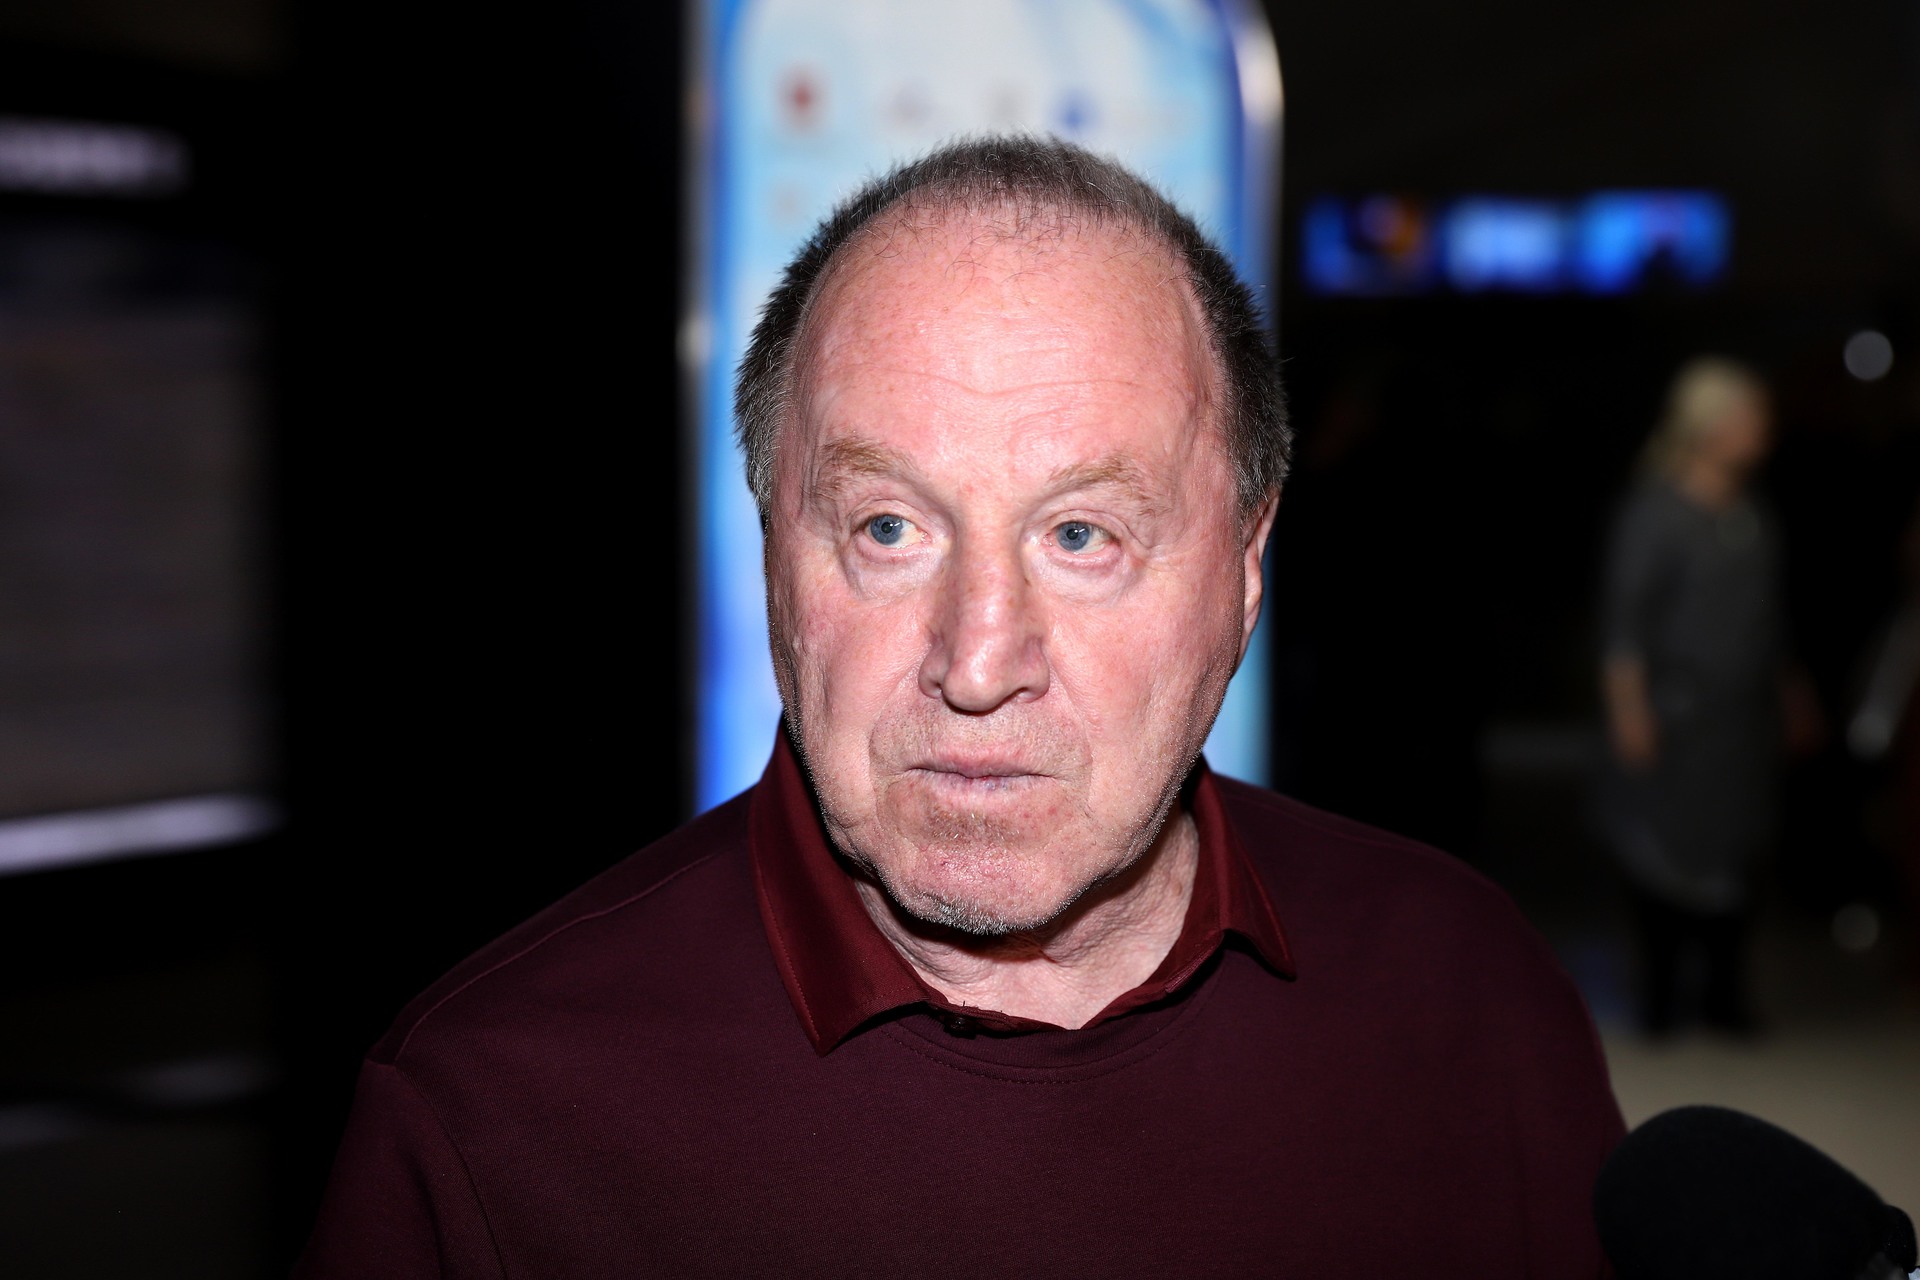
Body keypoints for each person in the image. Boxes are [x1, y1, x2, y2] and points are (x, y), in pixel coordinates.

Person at [297, 137, 1623, 1277]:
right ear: (769, 554)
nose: (979, 663)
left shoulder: (1465, 994)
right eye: (887, 527)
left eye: (1083, 536)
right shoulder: (487, 1119)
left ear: (1246, 566)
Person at [1598, 357, 1805, 1035]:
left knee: (1736, 851)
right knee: (1661, 848)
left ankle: (1724, 994)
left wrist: (1791, 693)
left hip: (1740, 721)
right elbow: (1625, 624)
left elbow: (1770, 619)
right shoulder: (1655, 512)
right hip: (1676, 715)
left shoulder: (1752, 513)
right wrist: (1629, 708)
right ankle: (1660, 994)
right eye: (1751, 416)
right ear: (1710, 426)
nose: (1764, 429)